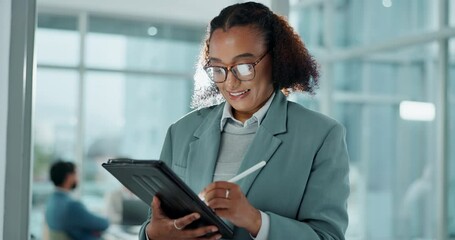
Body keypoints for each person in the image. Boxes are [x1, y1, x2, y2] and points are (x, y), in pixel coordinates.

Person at [139, 2, 350, 239]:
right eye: (219, 68)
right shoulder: (181, 131)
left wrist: (255, 220)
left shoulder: (321, 136)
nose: (230, 82)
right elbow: (155, 221)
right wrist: (151, 234)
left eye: (244, 66)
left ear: (277, 59)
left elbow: (328, 236)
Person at [45, 160, 109, 240]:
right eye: (75, 174)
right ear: (69, 177)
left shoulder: (51, 201)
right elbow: (103, 224)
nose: (77, 178)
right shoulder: (71, 206)